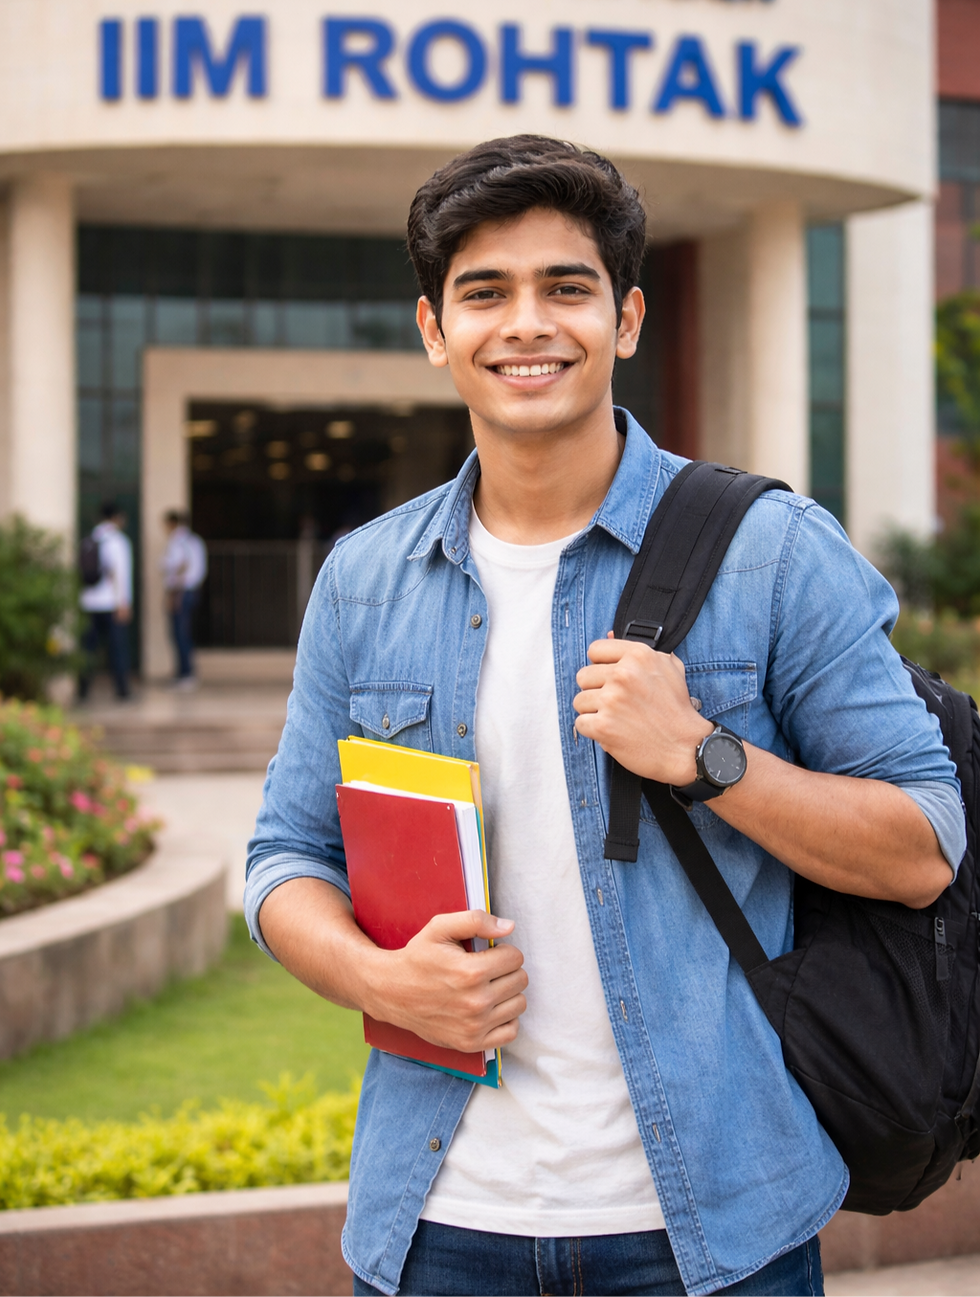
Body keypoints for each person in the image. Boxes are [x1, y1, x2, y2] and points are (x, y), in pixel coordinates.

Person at [244, 137, 966, 1297]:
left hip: (715, 1226)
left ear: (625, 319)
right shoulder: (365, 580)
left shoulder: (771, 554)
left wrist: (705, 757)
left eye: (564, 288)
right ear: (435, 330)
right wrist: (378, 981)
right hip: (437, 1221)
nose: (526, 323)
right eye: (484, 292)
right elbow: (284, 858)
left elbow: (926, 848)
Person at [78, 501, 132, 701]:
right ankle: (122, 690)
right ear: (117, 517)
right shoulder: (118, 541)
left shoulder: (90, 539)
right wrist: (123, 603)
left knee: (87, 650)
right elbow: (121, 574)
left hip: (88, 602)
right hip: (111, 603)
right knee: (117, 648)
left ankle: (83, 690)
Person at [161, 509, 208, 689]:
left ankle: (186, 674)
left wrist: (174, 591)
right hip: (191, 591)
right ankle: (184, 672)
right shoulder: (195, 541)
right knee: (183, 632)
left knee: (180, 633)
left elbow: (179, 565)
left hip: (180, 591)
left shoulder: (178, 541)